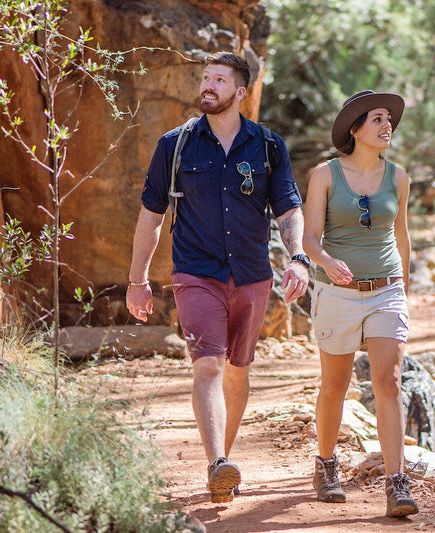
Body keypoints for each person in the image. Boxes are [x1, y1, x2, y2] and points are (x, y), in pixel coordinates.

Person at [126, 52, 310, 504]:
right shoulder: (176, 145)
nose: (208, 86)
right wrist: (137, 278)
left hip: (251, 275)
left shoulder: (268, 146)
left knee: (237, 371)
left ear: (240, 92)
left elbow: (288, 209)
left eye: (219, 80)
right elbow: (151, 215)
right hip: (196, 272)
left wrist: (299, 257)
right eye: (205, 78)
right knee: (207, 363)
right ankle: (216, 464)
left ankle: (222, 462)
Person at [302, 90, 418, 517]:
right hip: (337, 294)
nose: (387, 126)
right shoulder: (325, 175)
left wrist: (403, 285)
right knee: (336, 385)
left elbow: (401, 235)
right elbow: (310, 238)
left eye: (389, 119)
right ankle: (327, 465)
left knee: (388, 382)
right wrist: (328, 263)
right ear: (355, 129)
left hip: (386, 290)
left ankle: (397, 482)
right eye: (377, 119)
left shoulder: (399, 177)